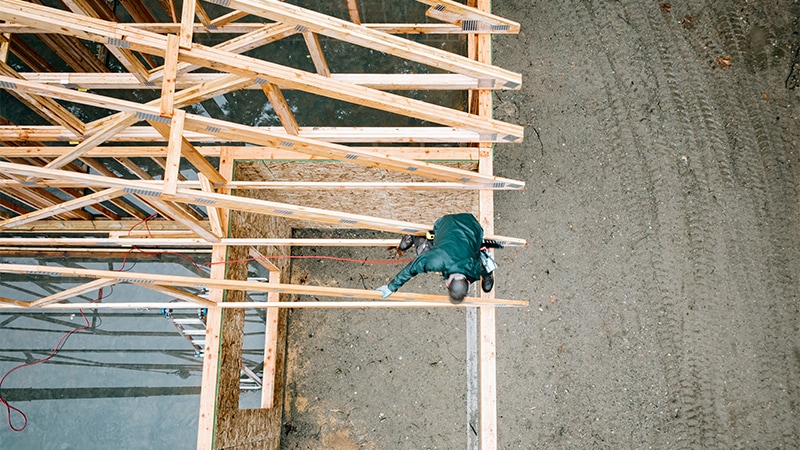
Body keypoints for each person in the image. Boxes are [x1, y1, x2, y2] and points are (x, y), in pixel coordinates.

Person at [375, 213, 497, 304]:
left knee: (483, 263)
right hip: (448, 223)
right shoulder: (436, 261)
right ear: (447, 284)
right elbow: (411, 268)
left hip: (471, 223)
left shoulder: (476, 266)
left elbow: (486, 264)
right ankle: (413, 237)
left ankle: (487, 277)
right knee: (422, 251)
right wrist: (391, 287)